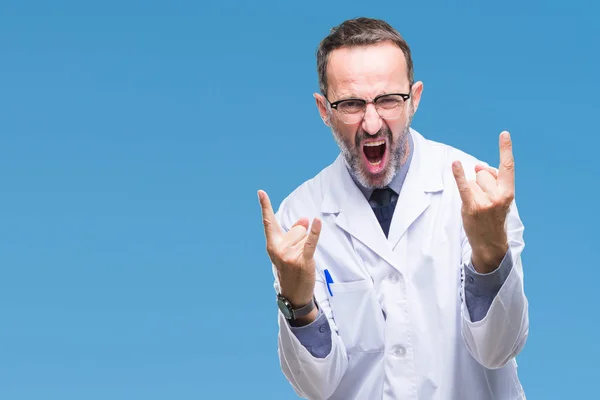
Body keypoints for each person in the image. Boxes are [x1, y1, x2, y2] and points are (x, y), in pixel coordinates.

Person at [258, 17, 528, 400]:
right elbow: (314, 385)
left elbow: (499, 348)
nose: (371, 123)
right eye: (351, 103)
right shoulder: (299, 216)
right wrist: (299, 304)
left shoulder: (479, 191)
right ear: (323, 109)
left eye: (387, 100)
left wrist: (490, 253)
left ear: (414, 98)